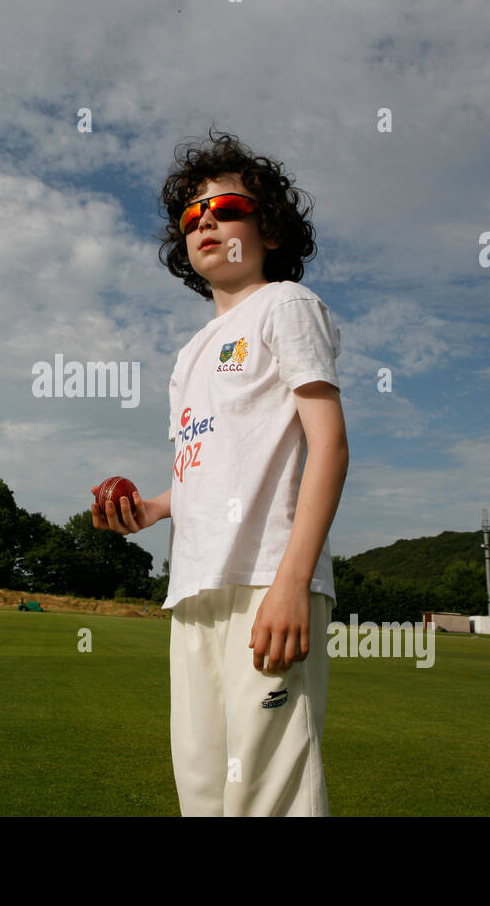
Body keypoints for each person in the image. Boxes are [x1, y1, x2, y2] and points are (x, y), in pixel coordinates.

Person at [91, 128, 347, 816]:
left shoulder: (286, 305)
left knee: (268, 795)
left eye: (225, 207)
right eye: (191, 215)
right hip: (194, 591)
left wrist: (292, 583)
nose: (206, 221)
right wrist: (151, 508)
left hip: (268, 580)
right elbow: (214, 466)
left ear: (267, 226)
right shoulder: (189, 354)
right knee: (204, 793)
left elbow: (328, 444)